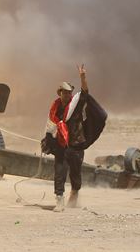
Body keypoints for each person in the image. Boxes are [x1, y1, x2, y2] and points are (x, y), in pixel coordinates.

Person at [44, 64, 89, 212]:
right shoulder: (54, 108)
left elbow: (85, 93)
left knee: (75, 173)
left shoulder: (75, 105)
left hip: (75, 144)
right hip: (60, 146)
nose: (67, 95)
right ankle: (59, 200)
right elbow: (50, 127)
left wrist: (83, 77)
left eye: (69, 93)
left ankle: (74, 193)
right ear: (60, 93)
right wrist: (47, 142)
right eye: (65, 93)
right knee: (59, 172)